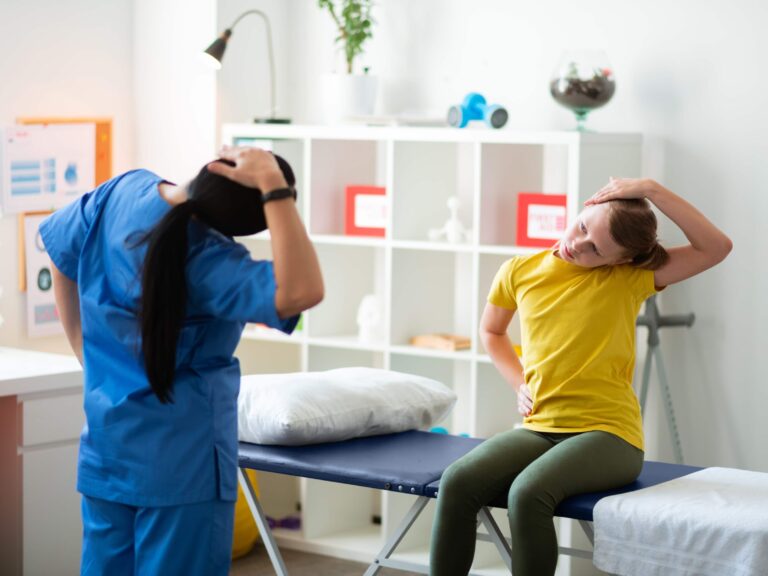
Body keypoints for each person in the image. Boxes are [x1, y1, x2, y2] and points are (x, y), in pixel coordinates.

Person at [40, 146, 324, 576]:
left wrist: (84, 350)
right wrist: (274, 189)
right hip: (183, 465)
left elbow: (58, 248)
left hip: (108, 446)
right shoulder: (215, 263)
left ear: (214, 166)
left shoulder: (123, 192)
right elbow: (303, 290)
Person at [429, 177, 732, 576]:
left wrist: (652, 190)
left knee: (528, 493)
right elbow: (492, 331)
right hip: (540, 427)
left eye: (596, 251)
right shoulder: (519, 271)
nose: (579, 245)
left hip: (609, 436)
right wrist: (520, 382)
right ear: (586, 206)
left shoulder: (627, 279)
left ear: (619, 261)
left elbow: (716, 247)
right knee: (457, 482)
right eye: (583, 228)